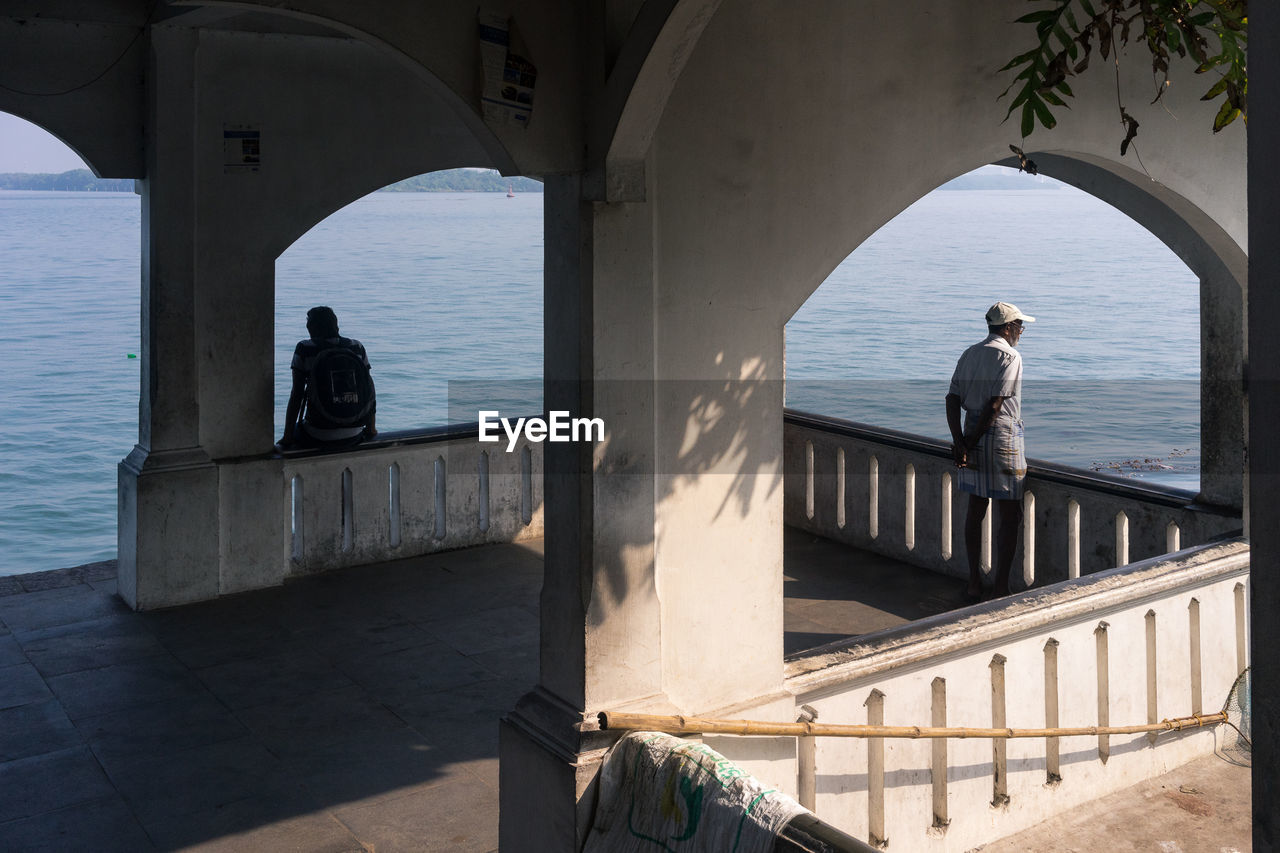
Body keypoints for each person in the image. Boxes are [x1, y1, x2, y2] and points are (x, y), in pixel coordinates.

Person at [945, 301, 1034, 600]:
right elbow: (996, 405)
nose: (1021, 331)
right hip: (1002, 436)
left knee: (976, 508)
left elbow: (952, 398)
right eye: (1019, 326)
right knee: (1010, 513)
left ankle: (973, 581)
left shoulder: (970, 353)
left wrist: (960, 440)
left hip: (971, 428)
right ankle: (1000, 586)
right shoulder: (1010, 356)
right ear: (1007, 327)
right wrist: (968, 443)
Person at [278, 306, 377, 451]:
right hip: (355, 431)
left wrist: (287, 437)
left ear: (310, 328)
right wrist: (371, 429)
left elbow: (297, 394)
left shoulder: (304, 348)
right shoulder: (356, 347)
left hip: (318, 433)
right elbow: (368, 388)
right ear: (336, 325)